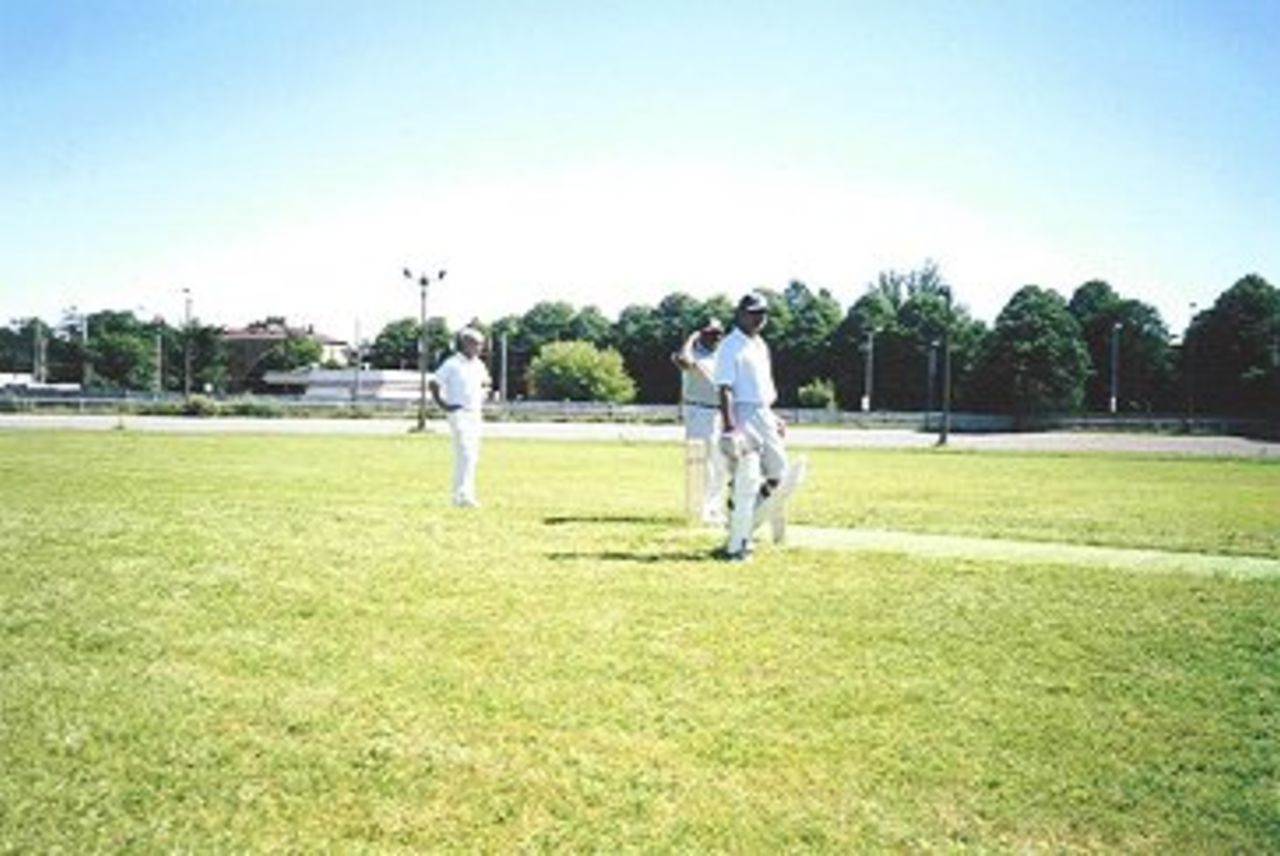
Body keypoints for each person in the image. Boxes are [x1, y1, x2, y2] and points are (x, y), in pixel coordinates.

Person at [714, 292, 789, 561]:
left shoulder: (760, 344)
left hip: (763, 413)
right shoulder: (730, 346)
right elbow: (724, 389)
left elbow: (762, 387)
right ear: (741, 313)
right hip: (742, 413)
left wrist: (772, 415)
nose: (759, 318)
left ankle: (739, 518)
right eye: (754, 313)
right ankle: (739, 542)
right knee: (747, 477)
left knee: (779, 475)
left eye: (763, 313)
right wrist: (731, 427)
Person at [671, 318, 728, 525]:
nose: (716, 337)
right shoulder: (692, 353)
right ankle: (701, 508)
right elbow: (684, 361)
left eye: (719, 333)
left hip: (722, 412)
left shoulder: (723, 355)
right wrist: (691, 338)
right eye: (711, 333)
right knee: (703, 462)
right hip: (699, 410)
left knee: (720, 462)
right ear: (701, 334)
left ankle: (715, 508)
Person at [429, 327, 492, 508]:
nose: (481, 347)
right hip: (459, 413)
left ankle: (464, 494)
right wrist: (444, 404)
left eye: (481, 344)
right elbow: (434, 383)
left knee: (472, 455)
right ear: (466, 344)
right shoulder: (452, 363)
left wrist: (484, 393)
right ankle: (463, 496)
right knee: (465, 453)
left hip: (475, 413)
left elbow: (486, 382)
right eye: (477, 344)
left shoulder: (478, 364)